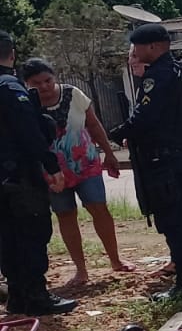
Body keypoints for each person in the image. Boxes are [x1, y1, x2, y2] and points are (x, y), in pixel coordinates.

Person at [116, 23, 182, 301]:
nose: (135, 54)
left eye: (137, 48)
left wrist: (117, 134)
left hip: (161, 163)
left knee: (176, 224)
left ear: (153, 47)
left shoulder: (158, 76)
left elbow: (144, 119)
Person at [18, 59, 133, 286]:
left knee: (99, 208)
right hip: (51, 171)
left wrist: (109, 154)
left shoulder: (74, 94)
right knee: (65, 214)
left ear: (55, 76)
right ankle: (81, 270)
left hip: (85, 164)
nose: (43, 86)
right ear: (26, 83)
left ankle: (116, 260)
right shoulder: (24, 103)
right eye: (36, 83)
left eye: (47, 80)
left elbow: (94, 125)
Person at [0, 31, 74, 315]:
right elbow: (29, 134)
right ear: (13, 54)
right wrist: (52, 166)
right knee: (31, 234)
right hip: (20, 178)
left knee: (8, 238)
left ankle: (17, 296)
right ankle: (36, 296)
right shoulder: (10, 88)